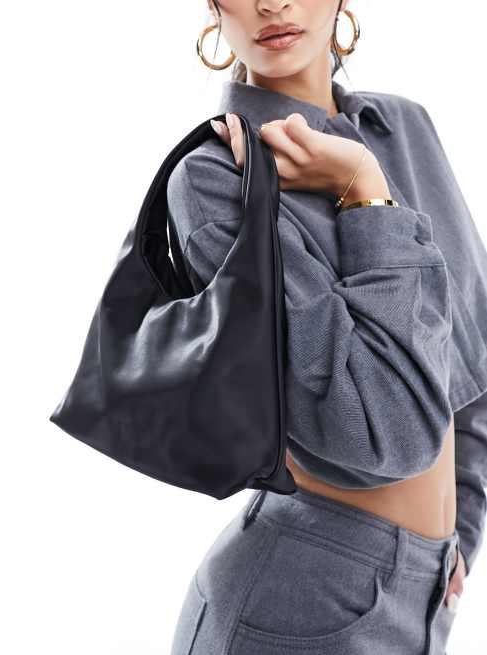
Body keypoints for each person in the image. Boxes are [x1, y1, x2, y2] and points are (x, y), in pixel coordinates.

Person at [166, 1, 487, 653]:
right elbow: (376, 434)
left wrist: (463, 529)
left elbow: (473, 356)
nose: (272, 4)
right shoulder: (213, 179)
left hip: (426, 594)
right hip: (297, 602)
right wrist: (361, 189)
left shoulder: (405, 126)